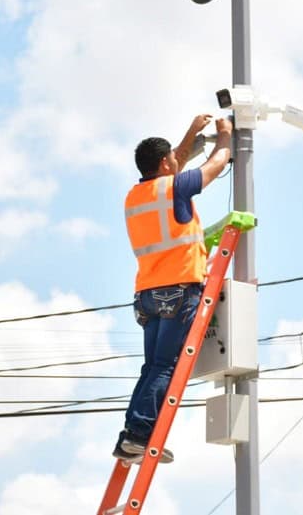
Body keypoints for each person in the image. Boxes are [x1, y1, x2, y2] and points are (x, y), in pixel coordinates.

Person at [113, 113, 233, 463]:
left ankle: (131, 436)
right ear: (166, 163)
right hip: (179, 290)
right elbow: (217, 163)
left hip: (147, 295)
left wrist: (193, 132)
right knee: (164, 367)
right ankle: (137, 435)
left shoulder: (136, 196)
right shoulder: (176, 187)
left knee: (153, 366)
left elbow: (173, 163)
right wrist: (225, 135)